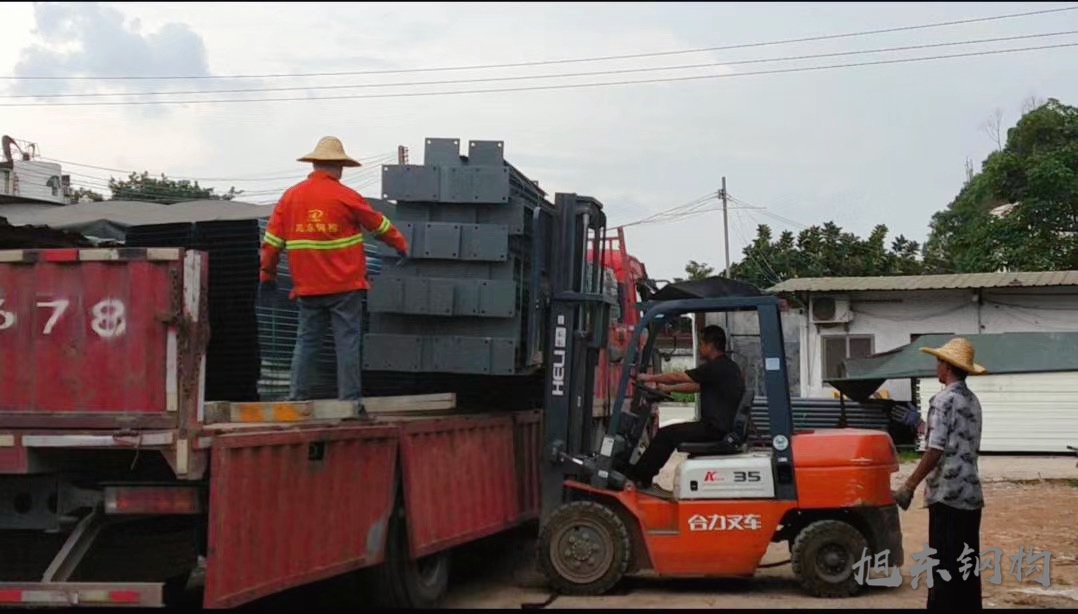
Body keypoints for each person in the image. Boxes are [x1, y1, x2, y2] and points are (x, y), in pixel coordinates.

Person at [260, 136, 409, 411]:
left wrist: (267, 276)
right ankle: (349, 401)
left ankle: (297, 398)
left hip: (308, 287)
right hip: (345, 286)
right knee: (347, 342)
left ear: (314, 163)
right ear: (339, 167)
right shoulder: (346, 197)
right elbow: (379, 225)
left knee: (306, 342)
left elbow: (271, 244)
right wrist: (400, 245)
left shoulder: (290, 197)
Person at [893, 337, 987, 611]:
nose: (936, 367)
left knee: (943, 568)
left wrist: (909, 486)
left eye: (938, 362)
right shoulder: (973, 401)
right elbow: (957, 440)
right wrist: (924, 427)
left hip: (947, 495)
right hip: (970, 494)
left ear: (947, 366)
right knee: (967, 567)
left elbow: (935, 449)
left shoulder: (942, 400)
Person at [626, 325, 745, 489]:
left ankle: (638, 477)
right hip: (719, 427)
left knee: (667, 434)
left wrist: (648, 377)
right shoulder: (727, 367)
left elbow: (678, 376)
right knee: (670, 433)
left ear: (710, 345)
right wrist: (667, 389)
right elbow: (697, 386)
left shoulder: (715, 367)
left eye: (702, 344)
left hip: (714, 429)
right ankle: (642, 475)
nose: (700, 348)